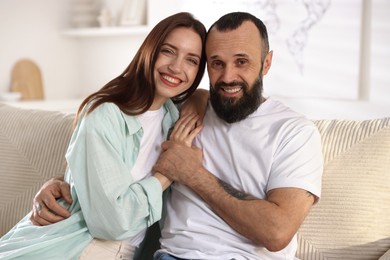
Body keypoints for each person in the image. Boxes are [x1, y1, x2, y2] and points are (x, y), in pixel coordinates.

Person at [26, 12, 324, 259]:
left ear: (267, 63)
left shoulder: (294, 132)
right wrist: (61, 182)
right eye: (217, 63)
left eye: (242, 62)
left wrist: (190, 173)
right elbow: (110, 152)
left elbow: (277, 233)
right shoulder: (179, 110)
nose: (228, 76)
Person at [0, 12, 206, 260]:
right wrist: (167, 173)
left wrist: (199, 97)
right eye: (168, 51)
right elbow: (112, 224)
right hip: (73, 247)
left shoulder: (173, 117)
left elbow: (212, 96)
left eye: (191, 60)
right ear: (149, 50)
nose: (176, 67)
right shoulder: (105, 113)